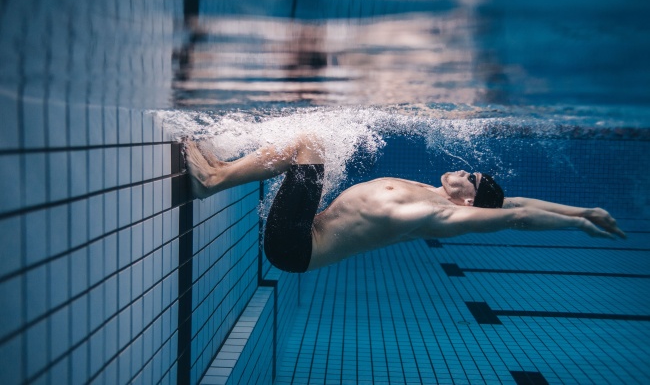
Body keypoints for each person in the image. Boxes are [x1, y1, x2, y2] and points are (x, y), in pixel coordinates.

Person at [183, 135, 626, 273]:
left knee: (309, 144)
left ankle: (213, 179)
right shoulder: (434, 191)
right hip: (306, 229)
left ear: (467, 199)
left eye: (469, 177)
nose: (464, 169)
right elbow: (521, 201)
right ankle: (222, 168)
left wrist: (576, 230)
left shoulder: (440, 212)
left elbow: (519, 217)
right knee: (310, 144)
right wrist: (583, 211)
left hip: (295, 246)